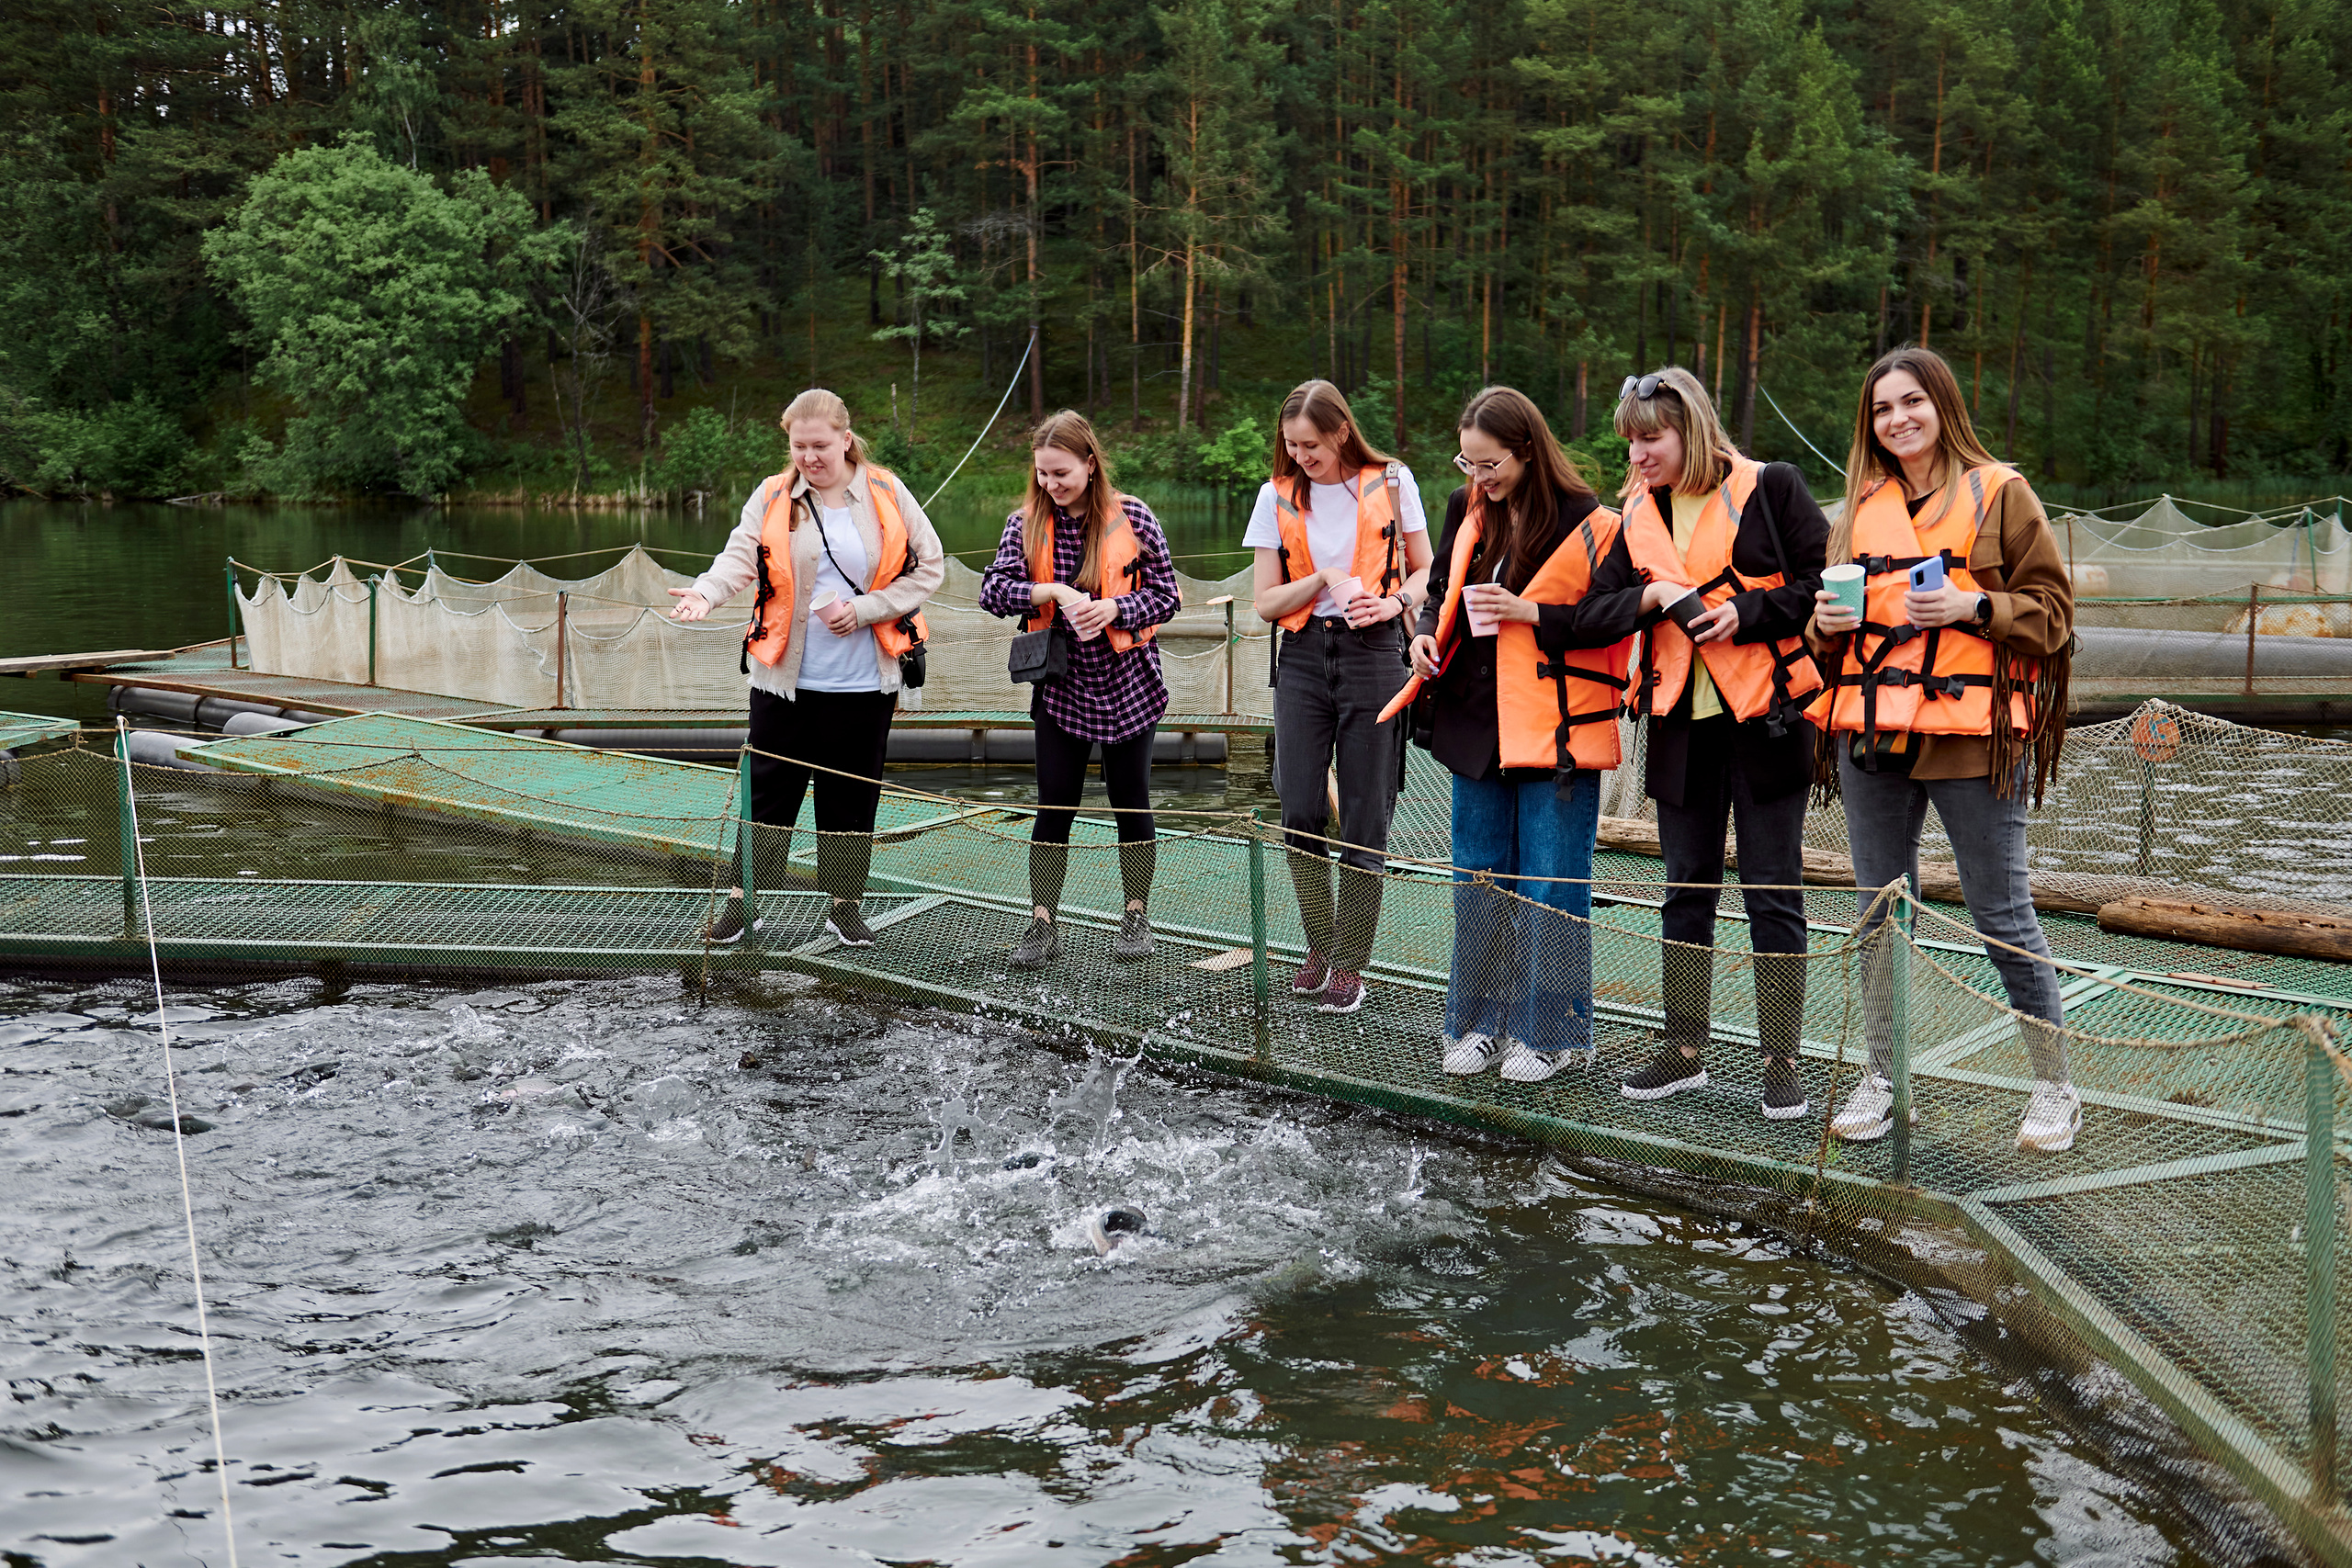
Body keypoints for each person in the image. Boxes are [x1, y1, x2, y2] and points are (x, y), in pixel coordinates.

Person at [1805, 346, 2080, 1154]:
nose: (1898, 420)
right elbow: (1822, 624)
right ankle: (1883, 1076)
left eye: (1912, 402)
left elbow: (2054, 616)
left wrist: (1972, 604)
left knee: (2001, 912)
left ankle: (2055, 1085)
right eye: (1884, 408)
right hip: (1874, 732)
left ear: (1943, 405)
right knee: (1879, 909)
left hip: (1973, 737)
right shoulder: (1859, 508)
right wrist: (1822, 625)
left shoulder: (2002, 493)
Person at [1380, 386, 1645, 1083]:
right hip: (1476, 724)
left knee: (1553, 880)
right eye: (1467, 464)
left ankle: (1553, 1032)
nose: (1478, 479)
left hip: (1555, 729)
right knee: (1479, 874)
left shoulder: (1590, 521)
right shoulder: (1465, 508)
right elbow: (1439, 590)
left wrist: (1530, 611)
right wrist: (1423, 639)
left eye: (1489, 464)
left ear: (1526, 451)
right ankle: (1475, 1023)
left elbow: (1614, 617)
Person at [1610, 367, 1828, 1121]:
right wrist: (1650, 599)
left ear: (1692, 430)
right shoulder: (1634, 511)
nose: (1637, 456)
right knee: (1685, 887)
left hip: (1767, 720)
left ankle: (1781, 1057)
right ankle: (1684, 1048)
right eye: (1631, 442)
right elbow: (1603, 604)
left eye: (1650, 439)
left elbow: (1823, 586)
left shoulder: (1774, 486)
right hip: (1679, 725)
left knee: (1773, 891)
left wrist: (1746, 612)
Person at [670, 388, 944, 948]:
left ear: (847, 440)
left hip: (866, 681)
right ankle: (745, 903)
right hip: (784, 680)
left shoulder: (888, 491)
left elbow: (928, 569)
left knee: (850, 794)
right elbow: (738, 558)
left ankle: (843, 908)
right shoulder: (773, 495)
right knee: (769, 791)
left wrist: (866, 609)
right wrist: (705, 593)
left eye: (820, 446)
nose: (810, 458)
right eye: (799, 447)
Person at [1245, 380, 1434, 1014]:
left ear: (1341, 433)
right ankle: (1319, 944)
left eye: (1311, 444)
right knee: (1298, 804)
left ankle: (1351, 962)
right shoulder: (1274, 495)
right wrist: (1323, 578)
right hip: (1301, 657)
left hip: (1375, 652)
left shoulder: (1394, 481)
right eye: (1291, 444)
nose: (1300, 455)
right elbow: (1267, 600)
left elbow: (1426, 569)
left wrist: (1396, 601)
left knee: (1364, 813)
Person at [978, 410, 1182, 969]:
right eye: (1042, 474)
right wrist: (1051, 591)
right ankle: (1043, 924)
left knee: (1131, 802)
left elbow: (1168, 596)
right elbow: (992, 593)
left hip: (1129, 682)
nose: (1051, 485)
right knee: (1054, 805)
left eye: (1061, 473)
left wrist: (1115, 607)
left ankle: (1136, 915)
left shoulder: (1134, 517)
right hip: (1060, 686)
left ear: (1090, 465)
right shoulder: (1023, 524)